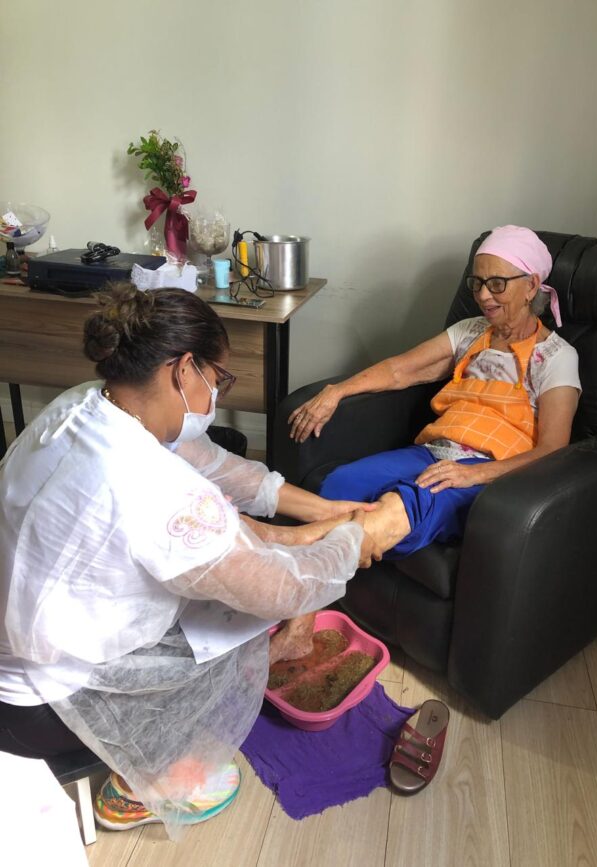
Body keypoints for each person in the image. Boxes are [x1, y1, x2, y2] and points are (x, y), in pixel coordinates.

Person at [0, 284, 381, 838]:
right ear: (182, 370)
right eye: (217, 379)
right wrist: (356, 536)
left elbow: (221, 468)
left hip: (19, 646)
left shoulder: (86, 405)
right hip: (45, 705)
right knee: (236, 627)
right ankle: (144, 784)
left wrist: (330, 512)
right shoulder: (154, 488)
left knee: (231, 571)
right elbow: (285, 588)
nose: (218, 395)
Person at [288, 225, 581, 568]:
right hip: (432, 452)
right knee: (341, 483)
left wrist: (476, 475)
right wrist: (337, 391)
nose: (484, 296)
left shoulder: (557, 356)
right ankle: (301, 573)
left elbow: (553, 449)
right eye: (477, 283)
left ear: (531, 285)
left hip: (489, 468)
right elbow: (399, 370)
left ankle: (286, 560)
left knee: (403, 503)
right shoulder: (470, 331)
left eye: (497, 284)